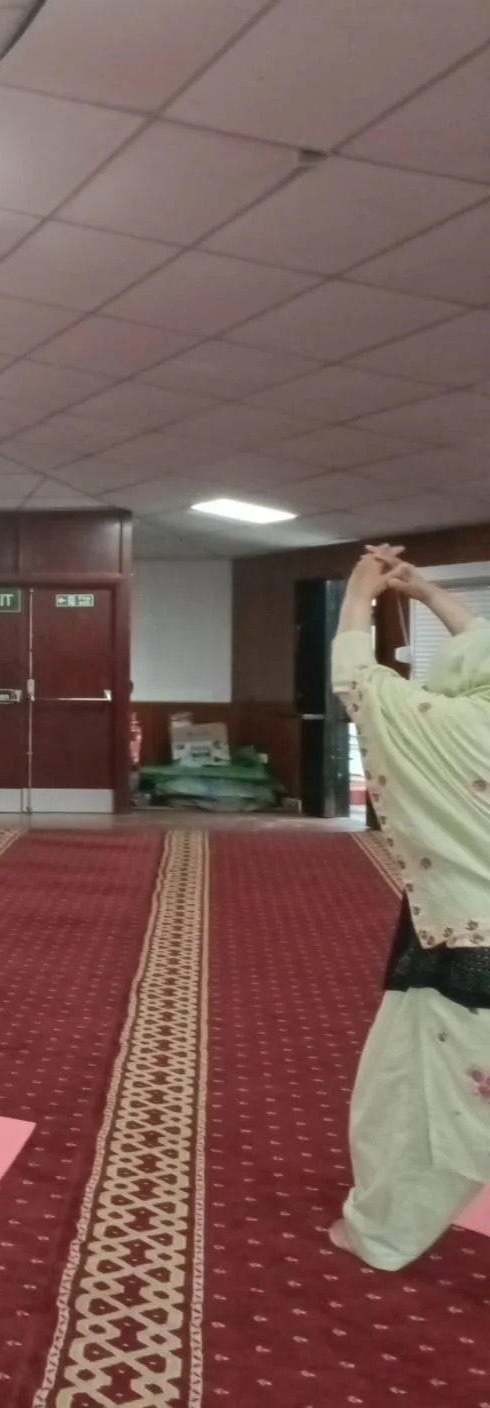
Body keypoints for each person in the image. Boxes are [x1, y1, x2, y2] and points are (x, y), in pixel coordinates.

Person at [329, 544, 490, 1271]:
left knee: (432, 1105)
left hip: (468, 949)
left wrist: (363, 589)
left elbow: (358, 680)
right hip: (445, 942)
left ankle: (386, 1234)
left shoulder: (442, 725)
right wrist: (427, 593)